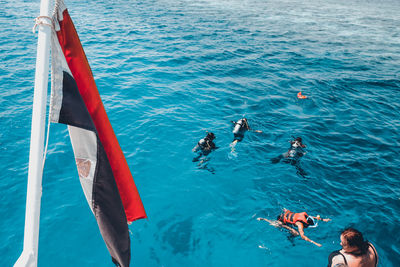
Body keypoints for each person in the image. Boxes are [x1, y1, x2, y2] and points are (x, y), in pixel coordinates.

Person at [257, 209, 331, 247]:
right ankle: (263, 219)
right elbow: (303, 236)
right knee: (296, 233)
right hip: (281, 220)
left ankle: (284, 211)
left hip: (286, 214)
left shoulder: (305, 215)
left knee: (290, 220)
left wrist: (323, 219)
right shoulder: (300, 225)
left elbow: (313, 217)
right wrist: (315, 243)